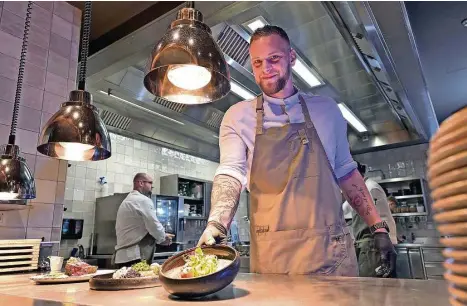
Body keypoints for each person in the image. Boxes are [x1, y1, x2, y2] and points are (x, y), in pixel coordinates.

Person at [197, 25, 396, 276]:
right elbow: (231, 173)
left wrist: (377, 227)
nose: (265, 69)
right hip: (273, 258)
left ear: (292, 57)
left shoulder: (327, 111)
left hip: (330, 254)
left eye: (274, 59)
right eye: (257, 62)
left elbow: (346, 172)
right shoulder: (237, 117)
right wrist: (217, 222)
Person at [342, 162, 398, 277]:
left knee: (376, 287)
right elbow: (344, 210)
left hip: (374, 245)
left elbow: (378, 219)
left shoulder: (370, 188)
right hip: (366, 245)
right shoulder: (357, 189)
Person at [114, 173, 174, 268]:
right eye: (150, 183)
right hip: (134, 257)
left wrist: (161, 235)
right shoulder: (142, 200)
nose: (152, 187)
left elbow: (138, 229)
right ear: (141, 183)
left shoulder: (128, 200)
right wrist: (163, 238)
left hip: (123, 258)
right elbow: (154, 225)